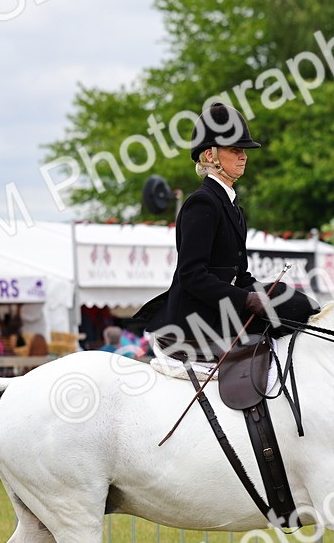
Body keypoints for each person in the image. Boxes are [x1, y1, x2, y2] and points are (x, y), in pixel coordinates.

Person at [133, 102, 317, 358]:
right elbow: (191, 274)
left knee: (298, 304)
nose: (244, 156)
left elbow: (239, 274)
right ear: (210, 156)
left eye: (244, 150)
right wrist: (246, 300)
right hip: (197, 316)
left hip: (222, 306)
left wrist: (265, 291)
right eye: (235, 150)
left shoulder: (231, 205)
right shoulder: (202, 202)